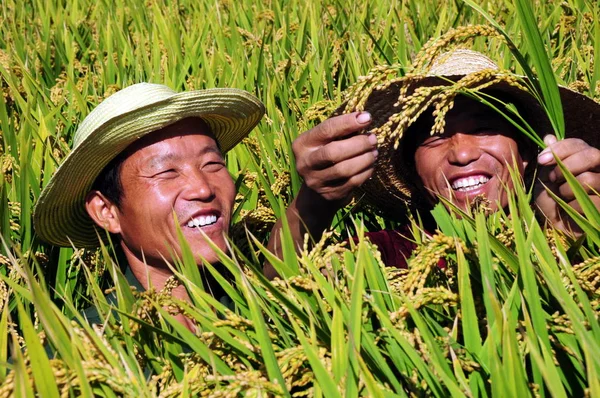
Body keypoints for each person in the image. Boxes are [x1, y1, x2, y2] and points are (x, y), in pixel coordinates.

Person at [265, 49, 600, 278]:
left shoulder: (580, 232)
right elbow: (281, 287)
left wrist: (567, 238)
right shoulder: (386, 255)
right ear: (410, 169)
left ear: (528, 153)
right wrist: (314, 201)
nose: (462, 153)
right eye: (435, 136)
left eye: (483, 128)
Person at [34, 83, 265, 328]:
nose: (203, 189)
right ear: (106, 211)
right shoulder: (85, 348)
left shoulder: (260, 304)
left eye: (212, 163)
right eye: (166, 172)